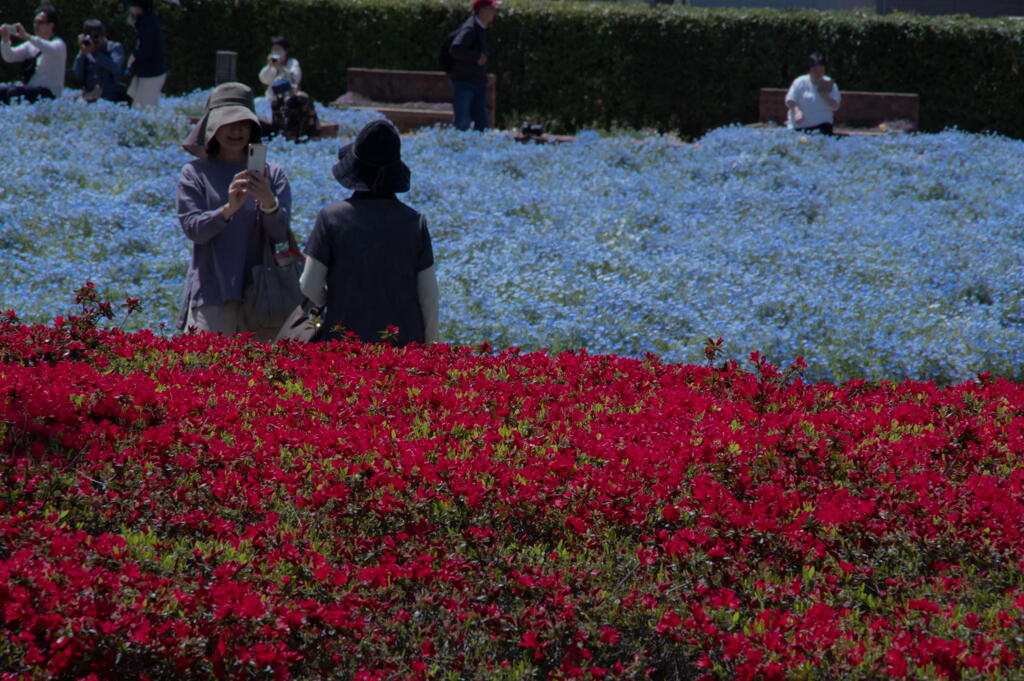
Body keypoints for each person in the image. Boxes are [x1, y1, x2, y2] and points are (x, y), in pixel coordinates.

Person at [300, 119, 439, 346]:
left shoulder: (330, 218)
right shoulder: (415, 222)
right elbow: (429, 297)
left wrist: (335, 301)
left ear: (354, 170)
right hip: (403, 346)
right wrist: (431, 347)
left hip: (344, 340)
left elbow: (308, 285)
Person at [177, 82, 293, 340]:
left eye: (243, 123)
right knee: (204, 374)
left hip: (265, 294)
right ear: (212, 127)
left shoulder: (272, 175)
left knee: (262, 377)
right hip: (212, 293)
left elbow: (281, 235)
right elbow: (194, 230)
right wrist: (228, 209)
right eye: (227, 123)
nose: (237, 130)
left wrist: (268, 202)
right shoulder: (195, 173)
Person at [448, 0, 499, 132]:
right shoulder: (470, 29)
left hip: (477, 82)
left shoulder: (481, 28)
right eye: (491, 9)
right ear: (482, 10)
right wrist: (476, 57)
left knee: (482, 124)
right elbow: (456, 49)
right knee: (462, 124)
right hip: (465, 83)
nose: (494, 13)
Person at [0, 5, 66, 104]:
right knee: (2, 92)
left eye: (40, 22)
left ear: (51, 25)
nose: (36, 25)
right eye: (35, 22)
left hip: (48, 93)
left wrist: (27, 36)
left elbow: (47, 47)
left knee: (13, 93)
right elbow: (9, 57)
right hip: (31, 90)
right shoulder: (31, 44)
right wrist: (5, 41)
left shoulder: (58, 44)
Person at [72, 19, 127, 103]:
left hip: (110, 95)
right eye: (90, 37)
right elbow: (77, 73)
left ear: (103, 35)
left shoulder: (114, 47)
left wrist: (95, 53)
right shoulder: (86, 50)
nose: (93, 40)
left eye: (96, 36)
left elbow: (115, 67)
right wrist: (82, 54)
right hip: (90, 94)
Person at [785, 52, 841, 135]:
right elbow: (790, 100)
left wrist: (825, 97)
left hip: (823, 126)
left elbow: (835, 106)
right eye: (815, 70)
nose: (818, 73)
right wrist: (797, 111)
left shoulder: (828, 83)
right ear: (809, 70)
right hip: (800, 126)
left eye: (821, 70)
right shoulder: (800, 82)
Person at [124, 0, 165, 108]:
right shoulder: (147, 20)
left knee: (146, 108)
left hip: (151, 73)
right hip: (147, 72)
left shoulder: (147, 23)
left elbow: (145, 50)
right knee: (138, 105)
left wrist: (134, 63)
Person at [258, 36, 301, 102]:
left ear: (285, 51)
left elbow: (295, 79)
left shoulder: (292, 63)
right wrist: (269, 66)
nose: (275, 52)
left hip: (289, 99)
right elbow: (263, 79)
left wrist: (281, 69)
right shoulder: (271, 66)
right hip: (272, 100)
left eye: (278, 49)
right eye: (273, 50)